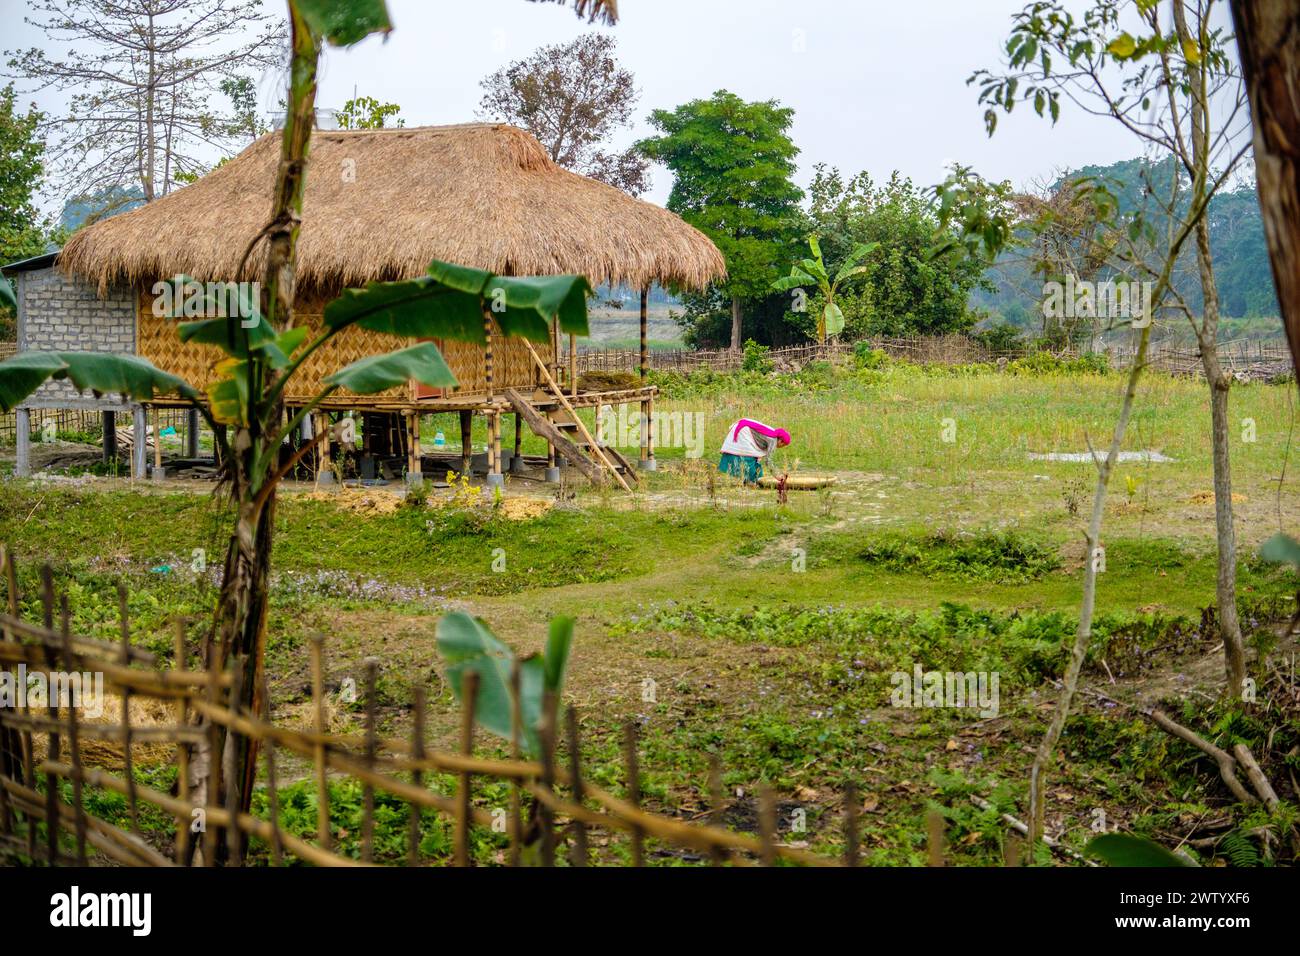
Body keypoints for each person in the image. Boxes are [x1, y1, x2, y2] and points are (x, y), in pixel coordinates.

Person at [718, 418, 791, 484]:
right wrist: (777, 476)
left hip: (743, 427)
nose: (781, 447)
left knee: (753, 460)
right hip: (743, 432)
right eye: (783, 445)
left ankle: (749, 480)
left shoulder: (773, 433)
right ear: (781, 441)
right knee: (748, 458)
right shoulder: (773, 440)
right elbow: (768, 460)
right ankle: (749, 481)